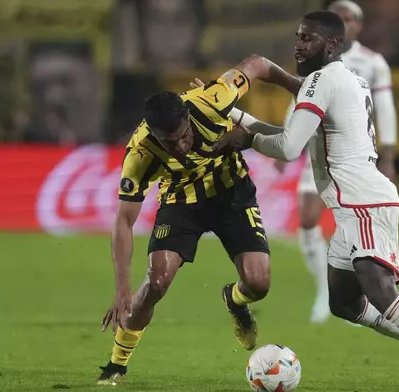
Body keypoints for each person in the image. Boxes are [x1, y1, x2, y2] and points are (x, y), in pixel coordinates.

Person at [215, 11, 399, 392]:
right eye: (298, 37)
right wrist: (237, 115)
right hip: (354, 202)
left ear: (332, 44)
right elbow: (294, 134)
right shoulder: (345, 78)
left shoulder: (321, 81)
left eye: (308, 39)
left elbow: (289, 148)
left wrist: (246, 138)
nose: (299, 45)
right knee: (344, 303)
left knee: (381, 291)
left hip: (361, 201)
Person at [96, 55, 302, 386]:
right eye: (169, 142)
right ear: (153, 134)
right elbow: (123, 222)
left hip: (232, 193)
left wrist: (297, 86)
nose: (179, 146)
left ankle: (234, 300)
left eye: (182, 136)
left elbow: (258, 64)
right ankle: (116, 365)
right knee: (156, 282)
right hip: (181, 203)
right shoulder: (139, 153)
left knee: (259, 283)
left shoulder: (212, 99)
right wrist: (122, 287)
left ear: (187, 118)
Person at [277, 0, 398, 324]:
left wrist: (388, 154)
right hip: (316, 146)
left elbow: (384, 108)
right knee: (306, 216)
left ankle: (347, 285)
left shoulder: (372, 63)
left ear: (355, 26)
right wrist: (290, 135)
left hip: (350, 155)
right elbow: (304, 98)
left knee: (351, 227)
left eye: (348, 18)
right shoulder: (317, 61)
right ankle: (323, 288)